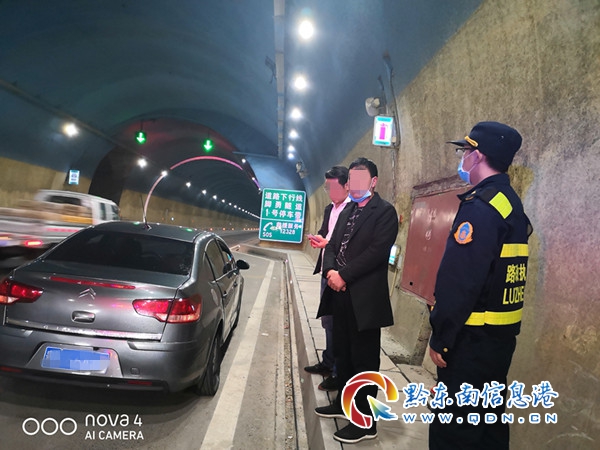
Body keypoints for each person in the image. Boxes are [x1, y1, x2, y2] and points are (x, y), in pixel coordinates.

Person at [428, 122, 532, 449]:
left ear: (478, 156)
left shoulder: (481, 207)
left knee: (454, 431)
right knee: (488, 426)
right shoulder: (509, 203)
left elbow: (460, 282)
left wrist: (442, 339)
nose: (463, 157)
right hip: (497, 343)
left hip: (469, 343)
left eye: (465, 151)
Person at [314, 157, 398, 444]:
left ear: (373, 182)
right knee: (343, 354)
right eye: (352, 179)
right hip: (339, 295)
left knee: (364, 361)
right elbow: (332, 245)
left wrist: (343, 275)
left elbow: (376, 252)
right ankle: (343, 402)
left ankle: (365, 422)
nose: (355, 185)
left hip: (364, 300)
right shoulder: (348, 209)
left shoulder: (384, 212)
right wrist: (330, 272)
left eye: (361, 179)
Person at [304, 165, 350, 392]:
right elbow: (326, 232)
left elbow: (348, 243)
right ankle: (328, 362)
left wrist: (328, 243)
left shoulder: (353, 210)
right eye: (326, 187)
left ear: (346, 186)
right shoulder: (329, 209)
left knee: (338, 325)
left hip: (340, 275)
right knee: (327, 321)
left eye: (332, 186)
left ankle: (338, 373)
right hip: (326, 270)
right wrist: (318, 239)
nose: (329, 191)